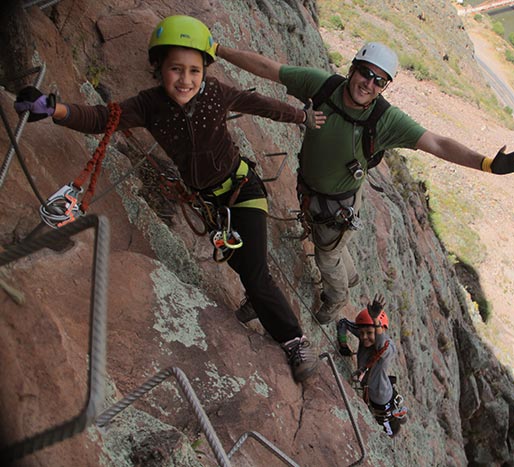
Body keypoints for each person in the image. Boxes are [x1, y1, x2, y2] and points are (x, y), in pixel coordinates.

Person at [13, 15, 327, 383]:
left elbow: (256, 103)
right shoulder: (149, 105)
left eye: (194, 70)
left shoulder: (215, 94)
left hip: (244, 191)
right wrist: (55, 110)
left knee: (255, 271)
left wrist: (300, 116)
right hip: (210, 206)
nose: (186, 79)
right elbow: (103, 118)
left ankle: (296, 343)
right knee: (243, 265)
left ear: (205, 71)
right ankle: (258, 300)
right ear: (158, 67)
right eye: (176, 69)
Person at [214, 41, 514, 324]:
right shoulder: (323, 87)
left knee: (326, 256)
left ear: (385, 86)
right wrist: (217, 50)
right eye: (365, 73)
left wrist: (487, 164)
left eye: (379, 80)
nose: (368, 83)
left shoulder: (386, 120)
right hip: (313, 191)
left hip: (336, 202)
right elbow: (270, 69)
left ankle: (336, 297)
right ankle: (350, 275)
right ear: (352, 68)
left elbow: (437, 143)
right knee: (332, 245)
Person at [337, 294, 408, 437]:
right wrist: (343, 345)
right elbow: (343, 323)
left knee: (389, 430)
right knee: (387, 408)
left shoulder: (388, 348)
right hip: (379, 387)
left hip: (380, 397)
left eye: (369, 333)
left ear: (379, 330)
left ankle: (393, 429)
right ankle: (397, 414)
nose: (364, 337)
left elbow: (382, 345)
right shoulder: (366, 334)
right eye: (361, 333)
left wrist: (376, 320)